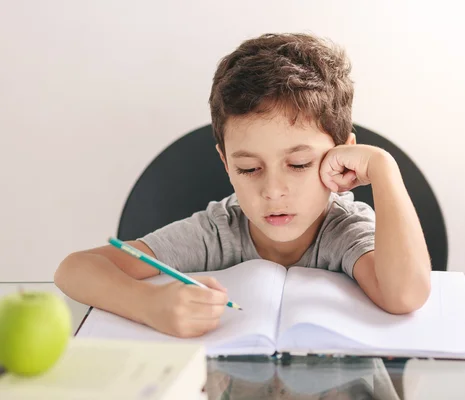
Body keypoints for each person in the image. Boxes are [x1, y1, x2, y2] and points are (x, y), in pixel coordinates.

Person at [54, 32, 431, 339]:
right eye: (250, 168)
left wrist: (383, 169)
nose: (273, 190)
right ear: (226, 163)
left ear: (342, 156)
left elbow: (406, 295)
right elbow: (75, 269)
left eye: (298, 164)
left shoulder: (344, 230)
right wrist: (148, 306)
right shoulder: (217, 231)